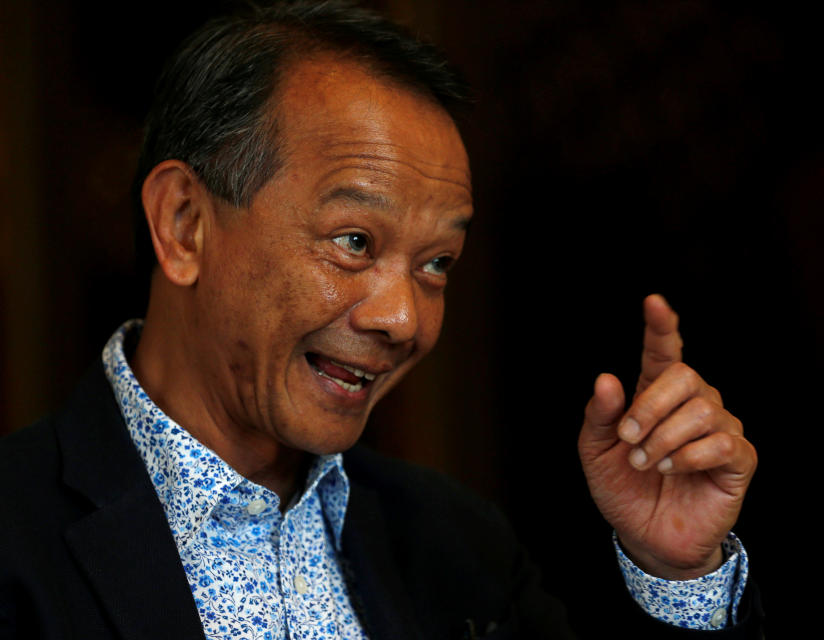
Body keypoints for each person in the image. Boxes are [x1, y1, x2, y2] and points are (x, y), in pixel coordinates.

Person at [0, 1, 761, 638]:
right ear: (185, 224)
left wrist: (677, 574)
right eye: (355, 243)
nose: (404, 320)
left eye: (436, 265)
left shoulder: (460, 550)